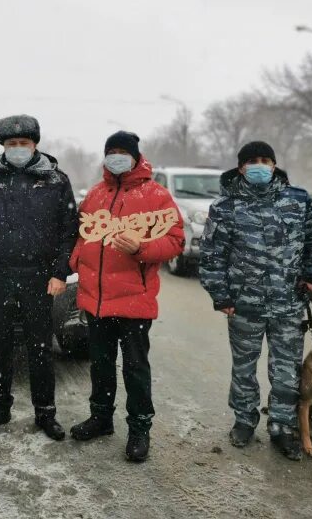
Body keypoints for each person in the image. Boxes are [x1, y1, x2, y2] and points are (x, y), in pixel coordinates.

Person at [199, 141, 312, 461]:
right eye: (252, 161)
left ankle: (283, 427)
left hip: (288, 304)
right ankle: (244, 420)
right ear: (241, 167)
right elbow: (212, 254)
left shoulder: (298, 200)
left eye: (265, 160)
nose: (259, 165)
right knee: (244, 368)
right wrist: (221, 295)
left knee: (286, 371)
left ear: (274, 164)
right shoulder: (225, 206)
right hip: (244, 305)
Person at [68, 131, 185, 462]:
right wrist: (77, 259)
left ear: (135, 156)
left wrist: (142, 248)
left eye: (123, 152)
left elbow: (176, 241)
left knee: (135, 367)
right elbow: (81, 236)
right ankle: (101, 417)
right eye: (111, 152)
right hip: (96, 300)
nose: (116, 157)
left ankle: (139, 428)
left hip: (134, 302)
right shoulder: (94, 195)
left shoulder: (156, 195)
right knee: (100, 364)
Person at [0, 115, 78, 441]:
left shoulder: (55, 181)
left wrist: (59, 272)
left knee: (40, 347)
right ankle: (0, 407)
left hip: (39, 278)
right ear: (3, 146)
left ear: (35, 144)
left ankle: (45, 412)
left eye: (23, 144)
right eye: (11, 144)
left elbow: (70, 232)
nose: (17, 149)